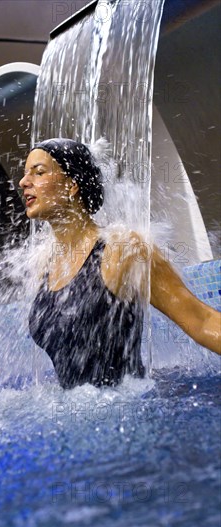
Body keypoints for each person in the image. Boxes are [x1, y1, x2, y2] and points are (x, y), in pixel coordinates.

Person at [19, 138, 220, 389]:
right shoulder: (44, 264)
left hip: (130, 414)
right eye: (25, 174)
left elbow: (201, 320)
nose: (24, 182)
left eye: (39, 172)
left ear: (72, 185)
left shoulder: (123, 250)